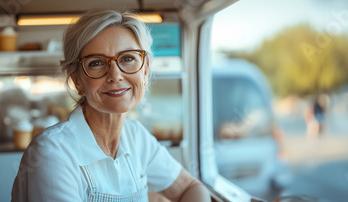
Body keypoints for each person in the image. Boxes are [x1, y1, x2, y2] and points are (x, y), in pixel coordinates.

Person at [11, 9, 210, 202]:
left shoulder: (137, 137)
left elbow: (191, 188)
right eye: (96, 63)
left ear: (145, 71)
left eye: (128, 58)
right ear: (77, 81)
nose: (115, 75)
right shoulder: (53, 152)